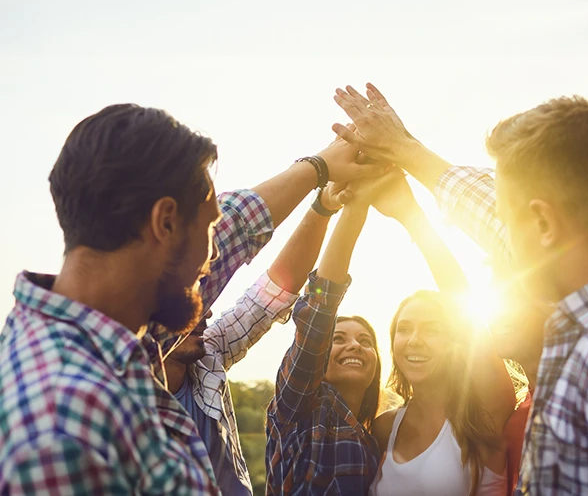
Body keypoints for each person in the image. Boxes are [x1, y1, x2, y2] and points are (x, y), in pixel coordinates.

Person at [332, 85, 588, 494]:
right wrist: (407, 150)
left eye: (511, 222)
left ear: (544, 224)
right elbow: (491, 214)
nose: (502, 241)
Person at [0, 104, 382, 494]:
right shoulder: (62, 431)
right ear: (164, 222)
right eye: (207, 230)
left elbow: (241, 235)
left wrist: (319, 172)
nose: (213, 256)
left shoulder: (110, 333)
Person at [164, 181, 355, 495]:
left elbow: (271, 294)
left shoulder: (208, 359)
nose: (207, 314)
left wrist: (323, 208)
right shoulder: (119, 396)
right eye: (191, 305)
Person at [365, 172, 518, 496]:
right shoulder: (383, 428)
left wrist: (410, 214)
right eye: (404, 329)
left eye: (432, 330)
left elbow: (459, 299)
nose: (415, 339)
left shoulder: (483, 416)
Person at [265, 174, 391, 495]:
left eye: (366, 341)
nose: (355, 345)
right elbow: (319, 310)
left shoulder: (373, 439)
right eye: (339, 338)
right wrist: (355, 208)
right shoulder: (300, 407)